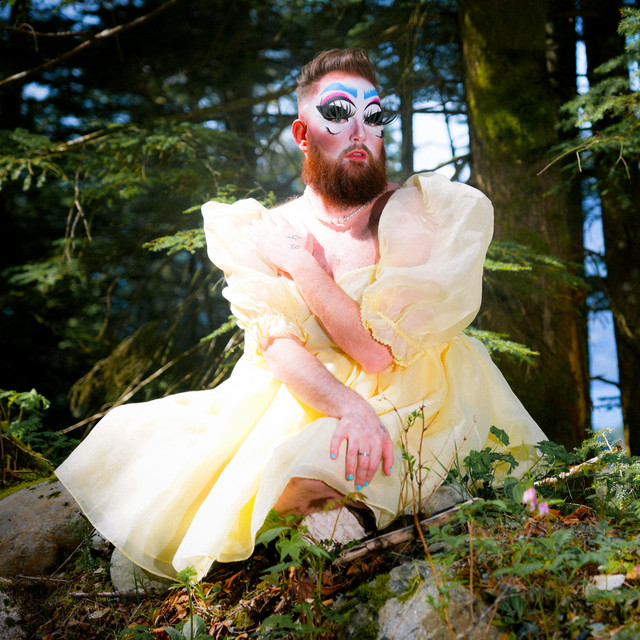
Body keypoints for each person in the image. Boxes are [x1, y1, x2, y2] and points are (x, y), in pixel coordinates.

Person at [56, 48, 546, 581]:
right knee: (176, 456)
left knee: (312, 477)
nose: (360, 131)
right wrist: (346, 407)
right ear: (302, 134)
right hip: (304, 393)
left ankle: (348, 520)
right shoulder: (264, 228)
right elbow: (278, 348)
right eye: (338, 113)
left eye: (374, 116)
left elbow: (377, 353)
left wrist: (302, 266)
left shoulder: (416, 211)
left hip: (415, 390)